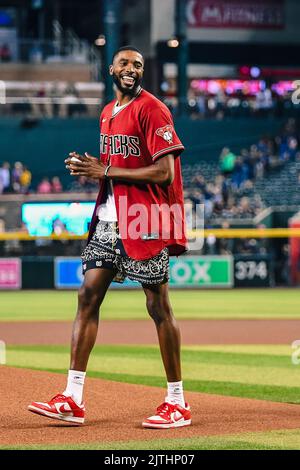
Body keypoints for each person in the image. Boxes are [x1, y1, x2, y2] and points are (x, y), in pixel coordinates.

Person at [28, 46, 191, 429]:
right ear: (111, 69)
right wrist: (95, 170)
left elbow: (164, 172)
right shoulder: (106, 112)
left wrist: (105, 170)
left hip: (144, 218)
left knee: (158, 305)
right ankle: (73, 397)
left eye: (138, 65)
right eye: (125, 63)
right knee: (87, 295)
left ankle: (177, 401)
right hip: (109, 217)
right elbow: (113, 171)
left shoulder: (153, 109)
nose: (131, 69)